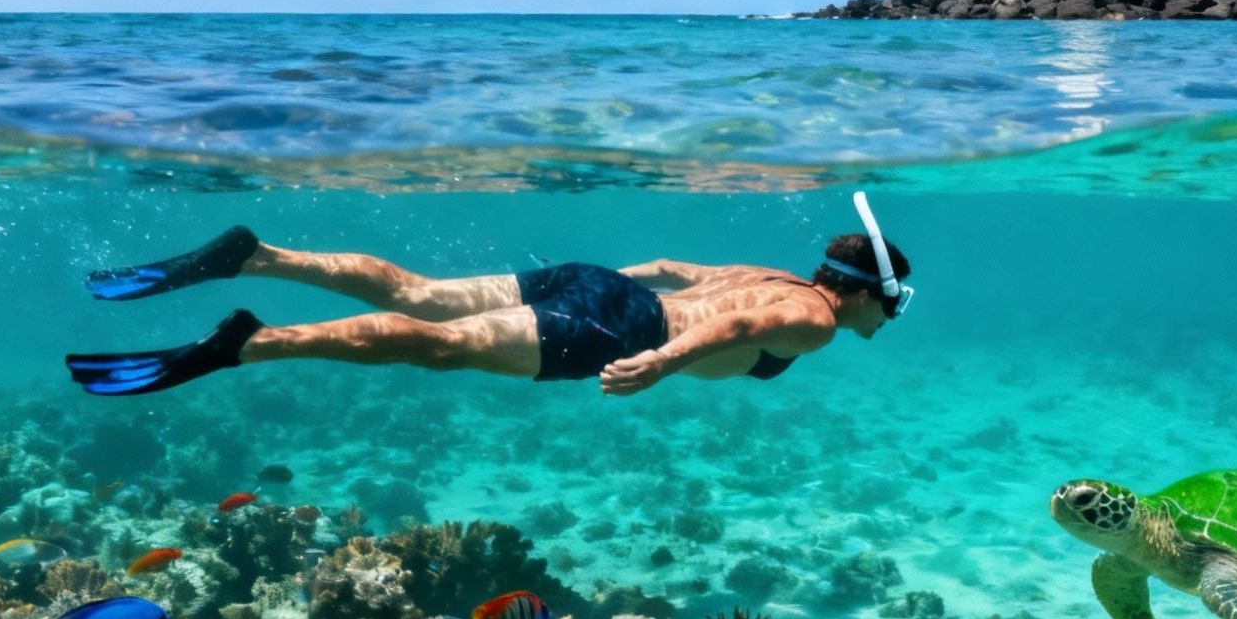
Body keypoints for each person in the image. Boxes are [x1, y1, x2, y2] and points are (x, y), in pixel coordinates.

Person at [65, 192, 912, 398]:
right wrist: (656, 360)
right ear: (867, 293)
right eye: (896, 301)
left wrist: (619, 298)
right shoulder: (813, 317)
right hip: (614, 325)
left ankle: (257, 256)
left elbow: (668, 266)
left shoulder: (775, 272)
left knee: (422, 293)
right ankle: (247, 342)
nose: (892, 317)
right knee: (430, 343)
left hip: (597, 286)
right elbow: (739, 323)